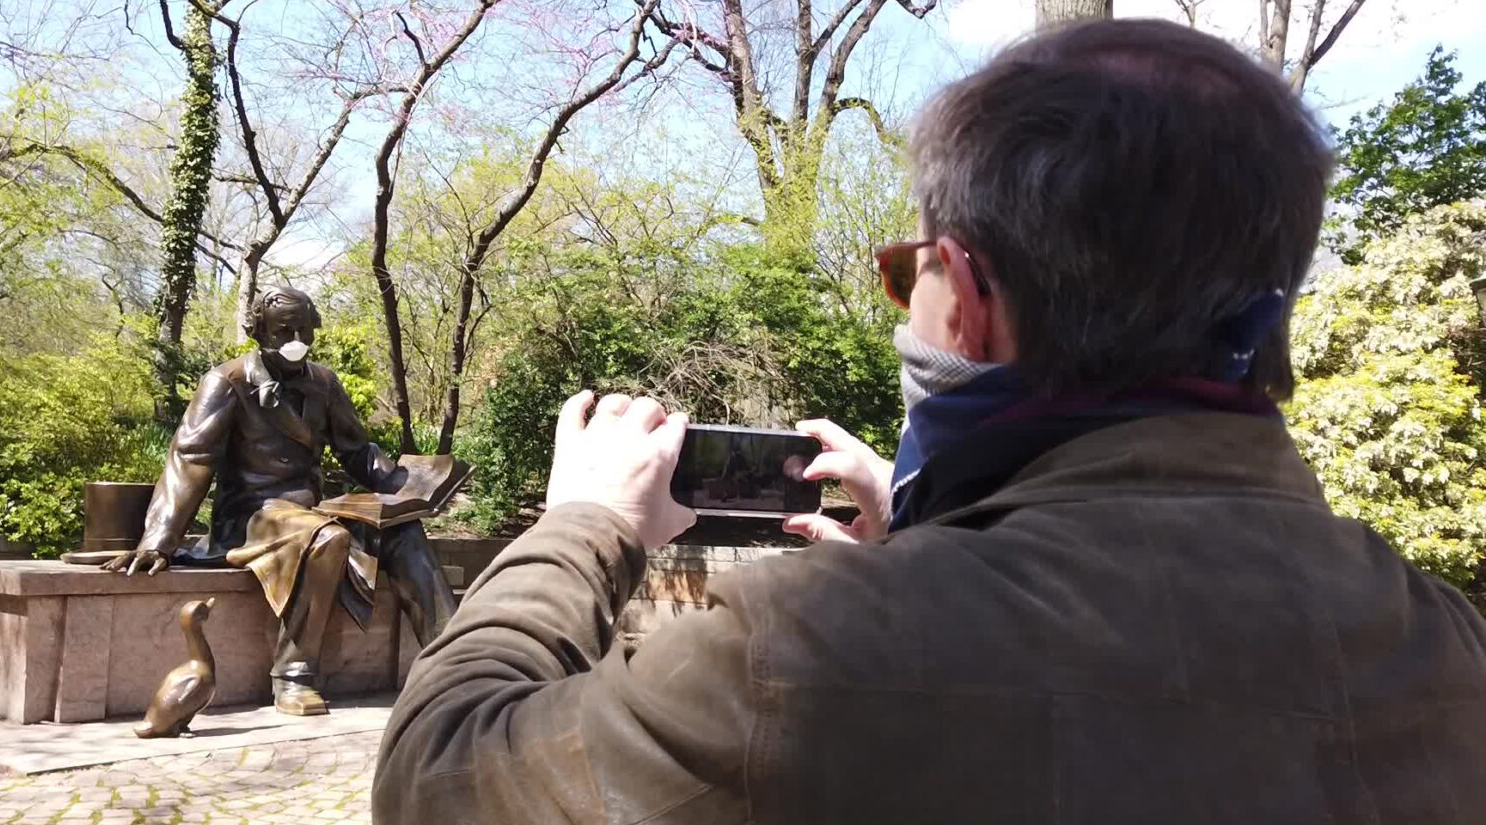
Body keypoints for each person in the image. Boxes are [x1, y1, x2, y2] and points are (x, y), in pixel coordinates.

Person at [372, 19, 1486, 824]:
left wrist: (584, 522)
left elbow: (441, 776)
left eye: (912, 274)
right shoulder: (1451, 643)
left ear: (972, 291)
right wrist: (930, 542)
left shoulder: (802, 661)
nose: (907, 301)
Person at [103, 286, 457, 716]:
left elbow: (357, 451)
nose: (295, 340)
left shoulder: (324, 383)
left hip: (308, 512)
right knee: (325, 540)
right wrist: (158, 539)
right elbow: (190, 459)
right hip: (253, 517)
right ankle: (294, 675)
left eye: (304, 330)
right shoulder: (227, 382)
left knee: (403, 530)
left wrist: (411, 484)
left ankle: (453, 667)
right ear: (258, 332)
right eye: (283, 331)